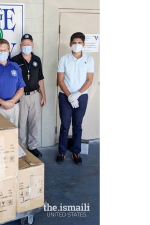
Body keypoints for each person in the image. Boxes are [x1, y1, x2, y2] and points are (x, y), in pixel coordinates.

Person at [56, 32, 94, 165]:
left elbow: (89, 80)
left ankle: (76, 152)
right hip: (65, 96)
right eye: (74, 43)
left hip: (82, 96)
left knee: (77, 125)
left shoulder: (89, 59)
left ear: (83, 44)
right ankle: (61, 151)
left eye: (79, 43)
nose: (77, 45)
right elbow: (60, 80)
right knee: (65, 125)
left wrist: (77, 94)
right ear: (70, 44)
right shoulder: (64, 59)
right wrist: (69, 96)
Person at [10, 34, 46, 158]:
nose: (26, 46)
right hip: (21, 96)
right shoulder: (14, 60)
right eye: (24, 45)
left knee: (34, 121)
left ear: (33, 45)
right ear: (20, 46)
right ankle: (20, 147)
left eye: (28, 44)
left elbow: (40, 78)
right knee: (21, 122)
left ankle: (33, 146)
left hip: (35, 95)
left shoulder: (37, 59)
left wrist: (43, 95)